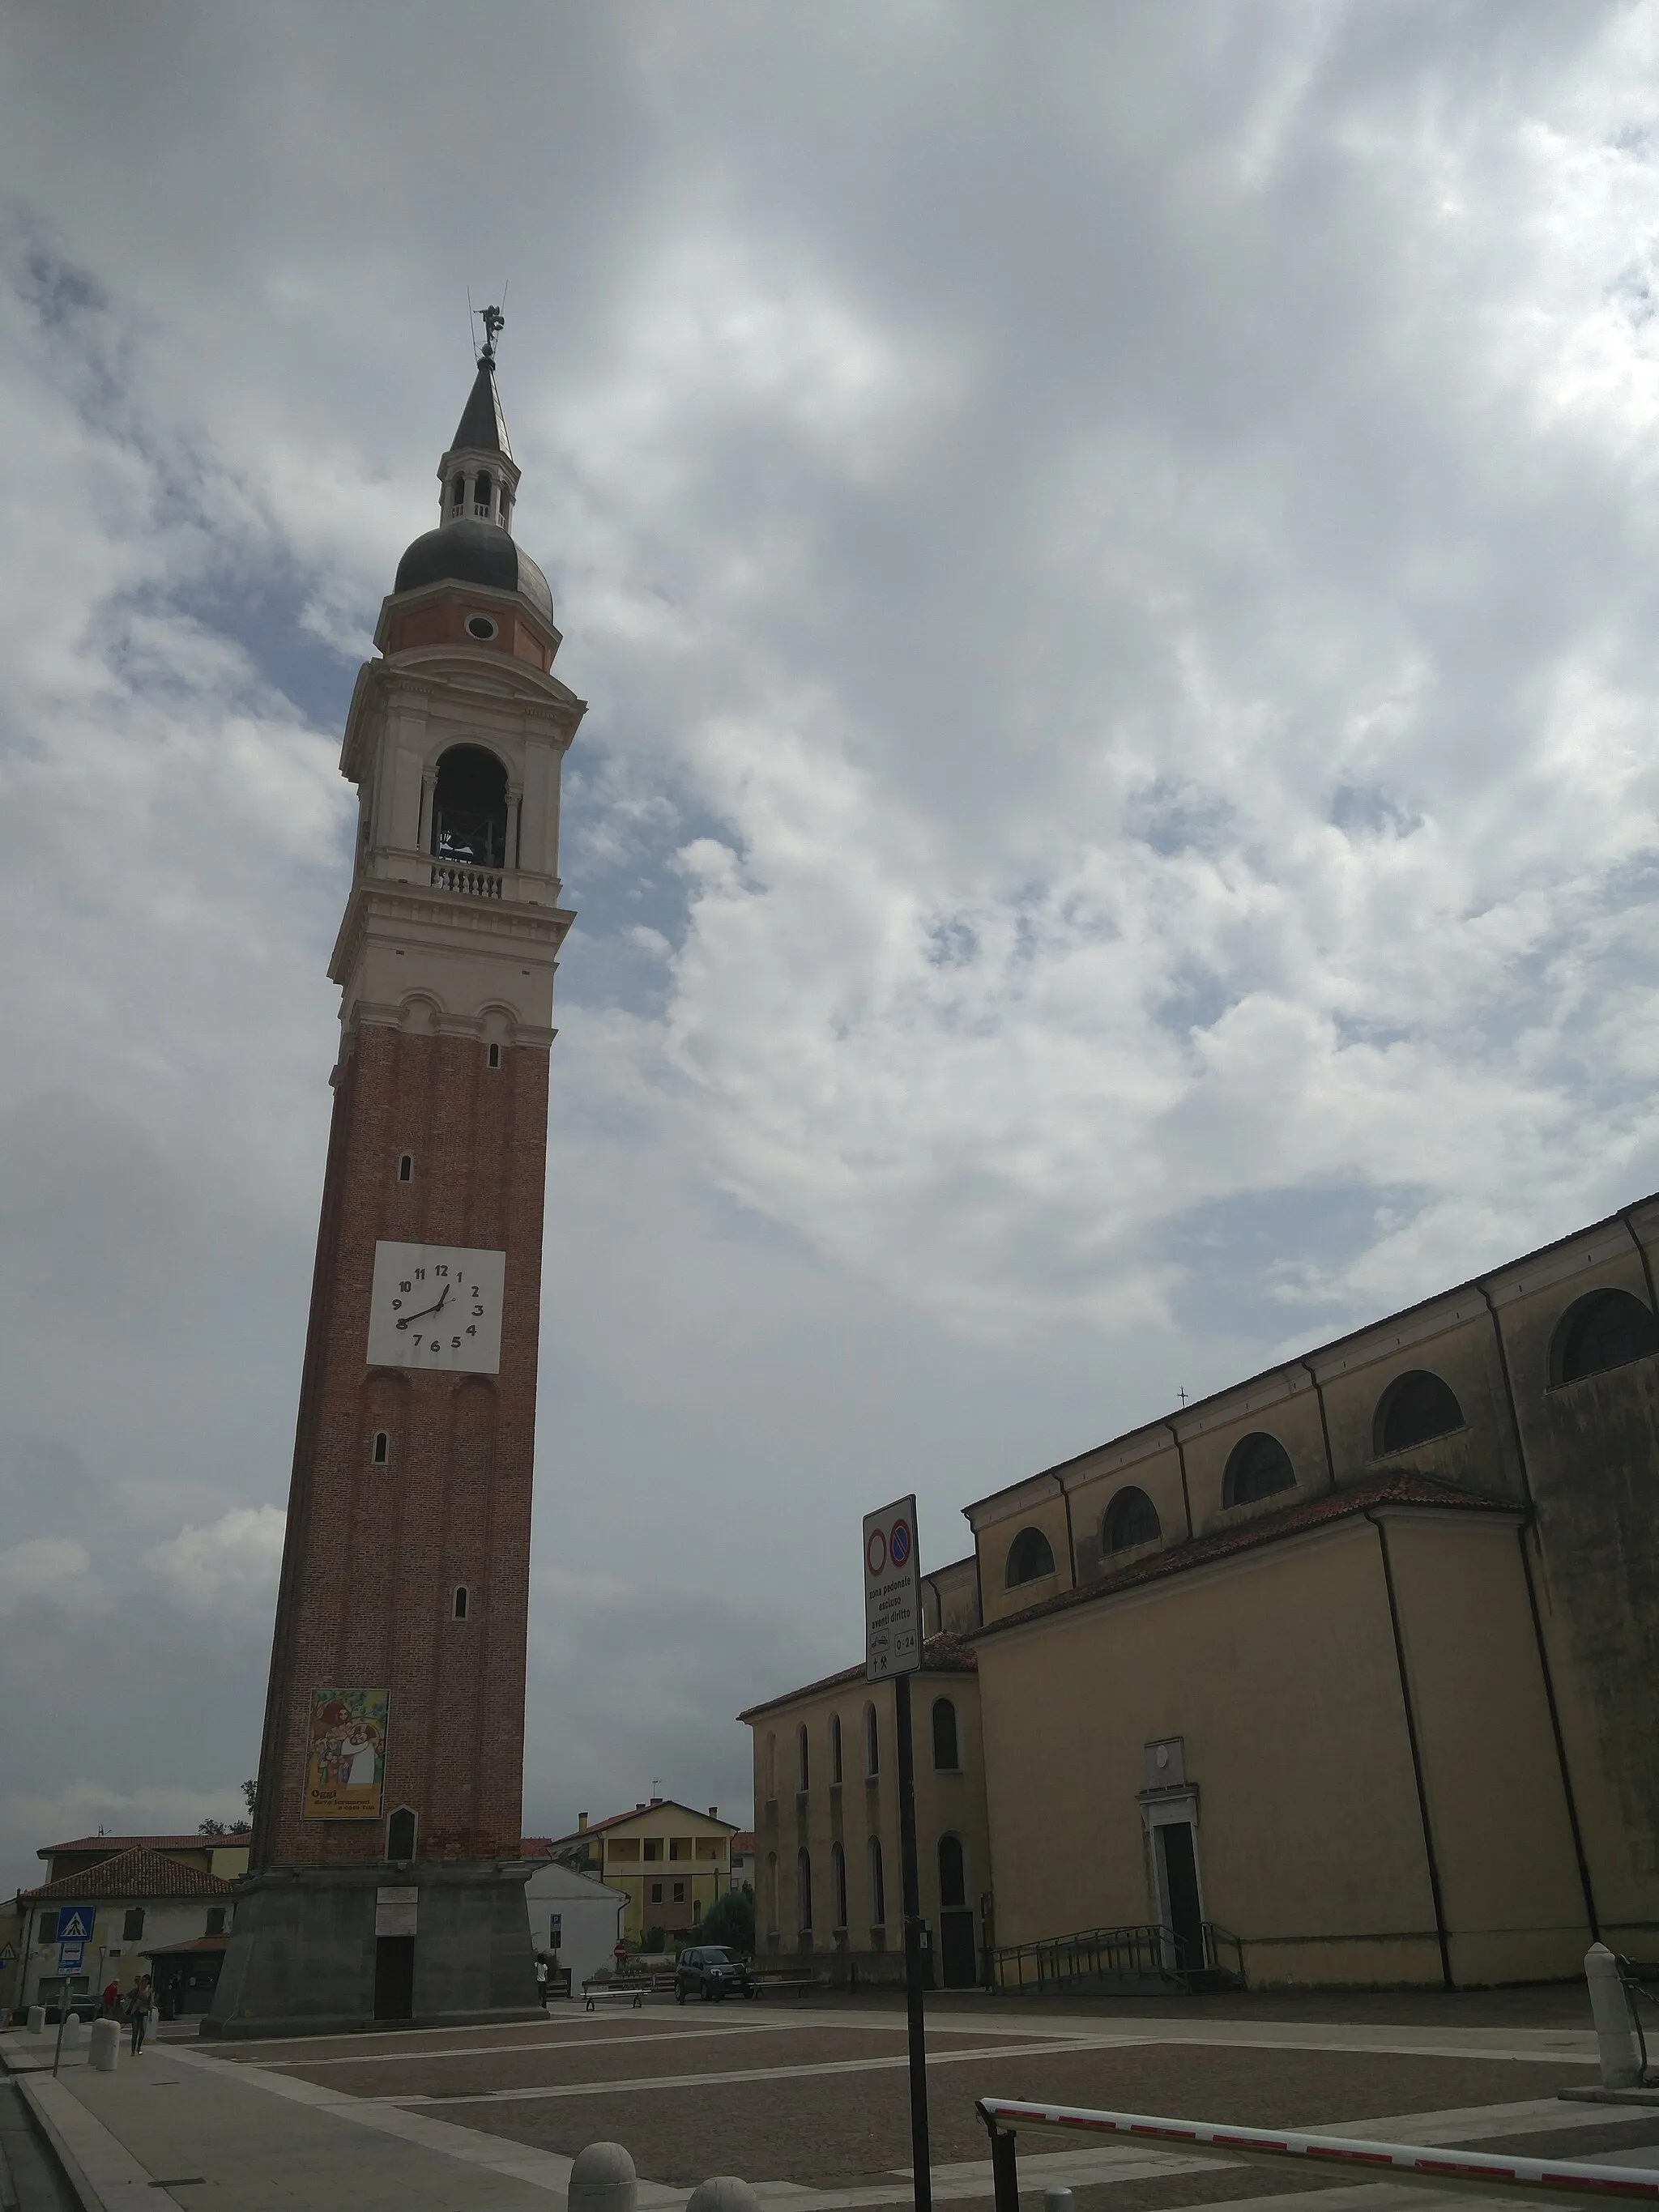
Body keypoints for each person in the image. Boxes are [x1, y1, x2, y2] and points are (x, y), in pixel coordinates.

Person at [126, 1975, 155, 2056]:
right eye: (143, 1980)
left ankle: (138, 2048)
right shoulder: (136, 1990)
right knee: (135, 2032)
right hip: (136, 2012)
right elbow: (127, 1996)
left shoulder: (150, 1991)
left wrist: (151, 2014)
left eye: (145, 1980)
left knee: (142, 2032)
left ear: (148, 1981)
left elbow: (151, 2002)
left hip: (144, 2012)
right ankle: (133, 2050)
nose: (144, 1981)